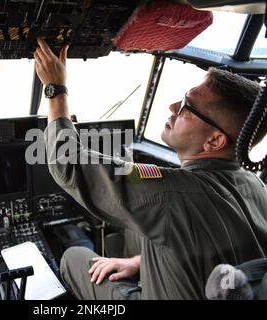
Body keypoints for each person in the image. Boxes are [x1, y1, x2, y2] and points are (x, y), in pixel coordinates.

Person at [33, 38, 267, 300]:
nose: (173, 108)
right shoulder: (256, 185)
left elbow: (68, 162)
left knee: (74, 257)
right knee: (134, 230)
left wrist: (56, 89)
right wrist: (138, 262)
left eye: (187, 107)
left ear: (214, 140)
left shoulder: (172, 194)